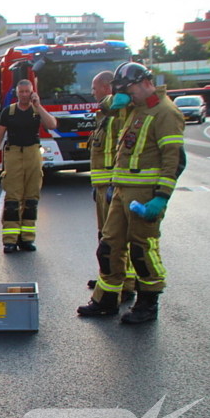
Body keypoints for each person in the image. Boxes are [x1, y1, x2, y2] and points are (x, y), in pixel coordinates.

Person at [78, 63, 185, 324]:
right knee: (109, 246)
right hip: (121, 190)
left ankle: (148, 303)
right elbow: (103, 108)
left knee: (142, 250)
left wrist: (161, 197)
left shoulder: (165, 112)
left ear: (144, 82)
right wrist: (117, 98)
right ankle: (106, 300)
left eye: (129, 90)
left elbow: (174, 159)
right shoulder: (134, 108)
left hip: (146, 194)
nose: (128, 96)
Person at [0, 79, 58, 253]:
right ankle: (10, 240)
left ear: (32, 92)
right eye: (22, 92)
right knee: (13, 199)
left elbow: (52, 125)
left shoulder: (36, 110)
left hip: (33, 153)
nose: (25, 95)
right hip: (14, 154)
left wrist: (38, 105)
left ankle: (27, 239)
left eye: (27, 91)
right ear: (17, 93)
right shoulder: (8, 112)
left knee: (31, 198)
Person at [87, 71, 136, 302]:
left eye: (95, 88)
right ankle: (109, 278)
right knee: (105, 237)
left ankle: (124, 283)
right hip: (102, 184)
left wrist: (111, 185)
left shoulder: (117, 116)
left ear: (107, 88)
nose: (92, 92)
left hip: (111, 184)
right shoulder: (106, 115)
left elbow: (121, 151)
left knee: (113, 239)